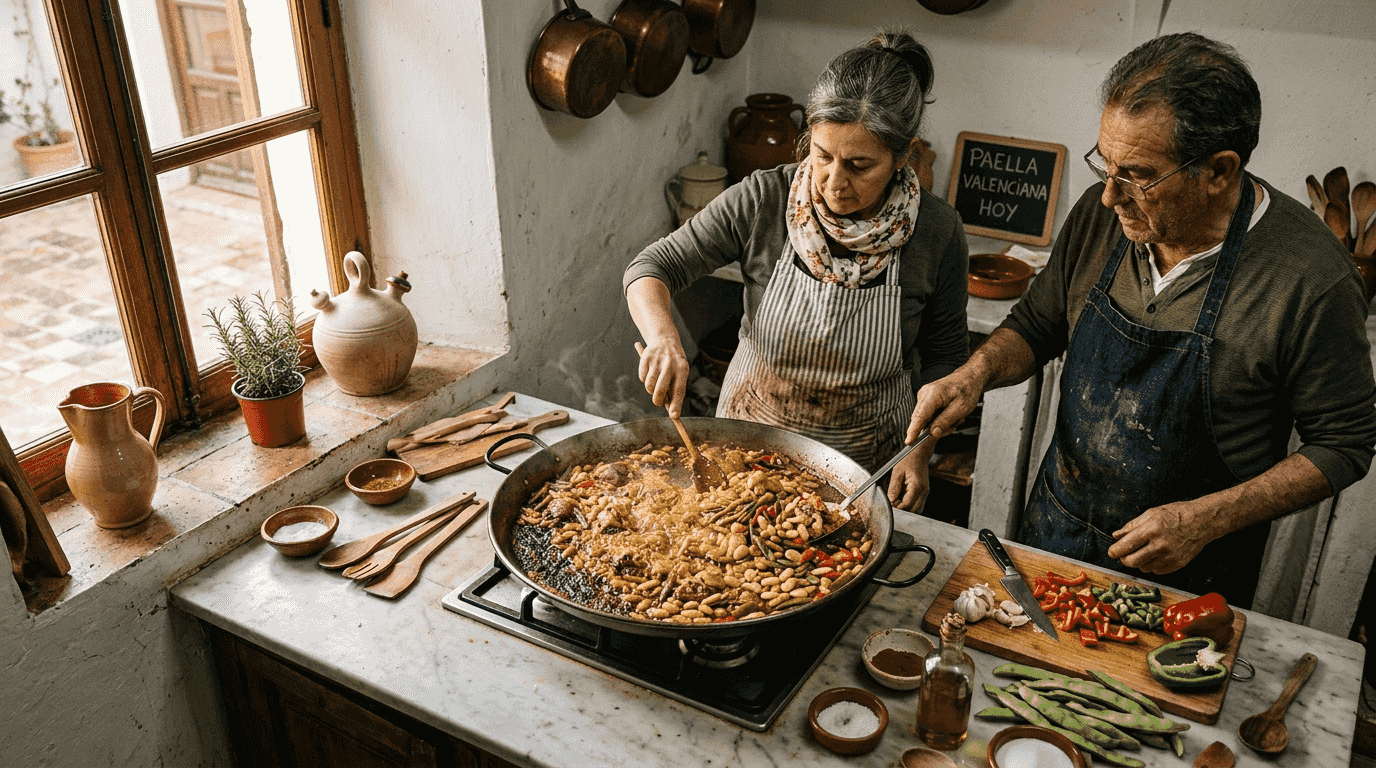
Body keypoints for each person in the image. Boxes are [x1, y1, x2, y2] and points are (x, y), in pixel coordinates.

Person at [907, 32, 1376, 608]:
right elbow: (1039, 322)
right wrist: (973, 374)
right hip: (1054, 535)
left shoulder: (1309, 279)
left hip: (1190, 579)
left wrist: (1204, 519)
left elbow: (1345, 443)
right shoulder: (1103, 218)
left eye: (1137, 174)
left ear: (1220, 172)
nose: (1109, 197)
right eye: (1105, 163)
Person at [624, 31, 970, 513]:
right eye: (823, 155)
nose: (834, 181)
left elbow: (946, 357)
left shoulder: (936, 230)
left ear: (905, 156)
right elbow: (651, 267)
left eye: (859, 165)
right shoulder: (765, 199)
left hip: (862, 469)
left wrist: (920, 452)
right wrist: (663, 338)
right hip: (746, 448)